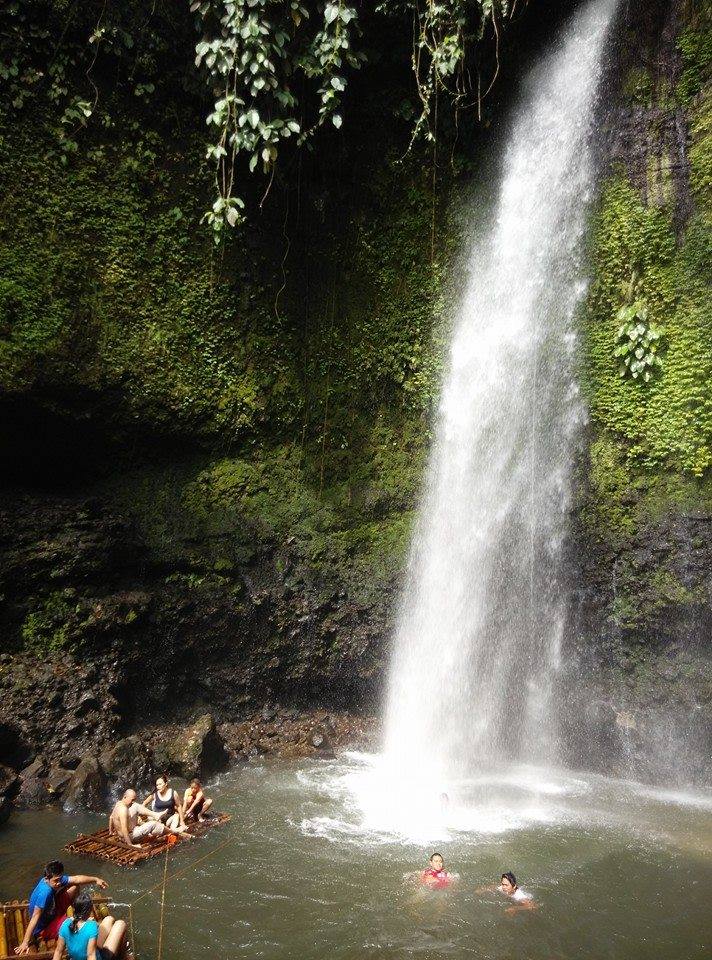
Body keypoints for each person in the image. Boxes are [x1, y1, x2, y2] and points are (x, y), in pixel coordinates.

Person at [14, 860, 108, 956]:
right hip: (45, 927)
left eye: (59, 879)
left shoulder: (53, 879)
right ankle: (81, 923)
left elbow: (77, 879)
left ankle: (79, 914)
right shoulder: (45, 892)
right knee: (72, 925)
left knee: (75, 886)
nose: (58, 883)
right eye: (55, 881)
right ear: (47, 879)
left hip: (52, 910)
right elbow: (35, 917)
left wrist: (96, 879)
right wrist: (25, 942)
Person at [51, 891, 128, 960]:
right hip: (98, 957)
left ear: (75, 909)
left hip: (78, 956)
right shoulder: (91, 926)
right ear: (89, 910)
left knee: (109, 919)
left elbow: (58, 952)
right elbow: (91, 956)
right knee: (121, 923)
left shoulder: (65, 923)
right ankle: (122, 956)